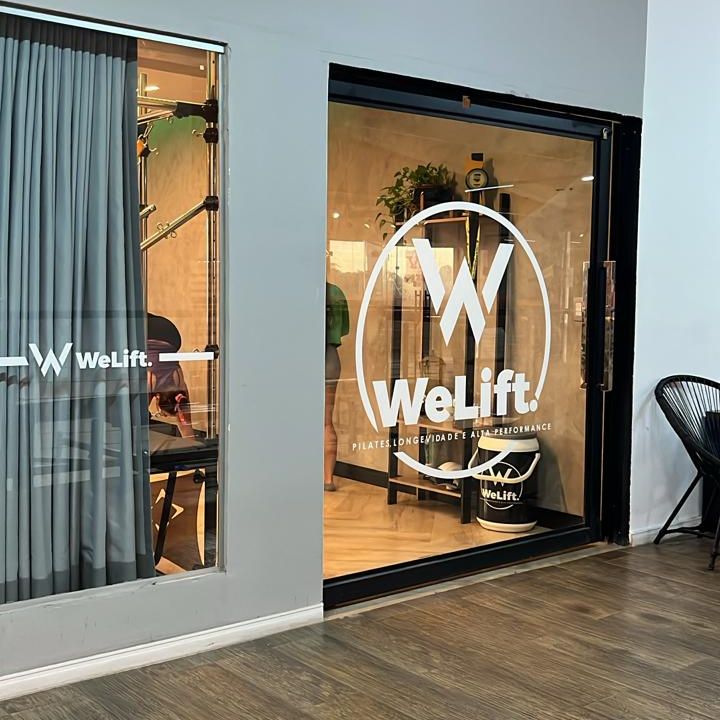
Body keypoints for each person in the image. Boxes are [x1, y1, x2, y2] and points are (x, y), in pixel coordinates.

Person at [325, 281, 349, 491]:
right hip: (330, 358)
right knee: (326, 422)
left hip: (304, 356)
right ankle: (328, 479)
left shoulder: (300, 292)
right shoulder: (336, 292)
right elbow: (343, 329)